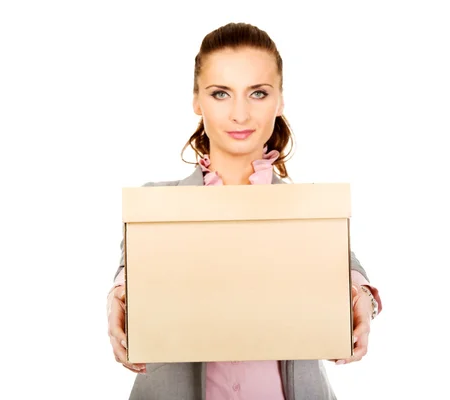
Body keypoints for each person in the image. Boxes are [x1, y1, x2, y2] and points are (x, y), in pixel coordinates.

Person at [107, 22, 383, 400]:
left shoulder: (310, 211)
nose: (240, 114)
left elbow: (347, 267)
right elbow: (130, 269)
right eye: (221, 93)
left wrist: (360, 297)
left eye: (257, 93)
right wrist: (120, 295)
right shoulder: (156, 205)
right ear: (196, 101)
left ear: (280, 100)